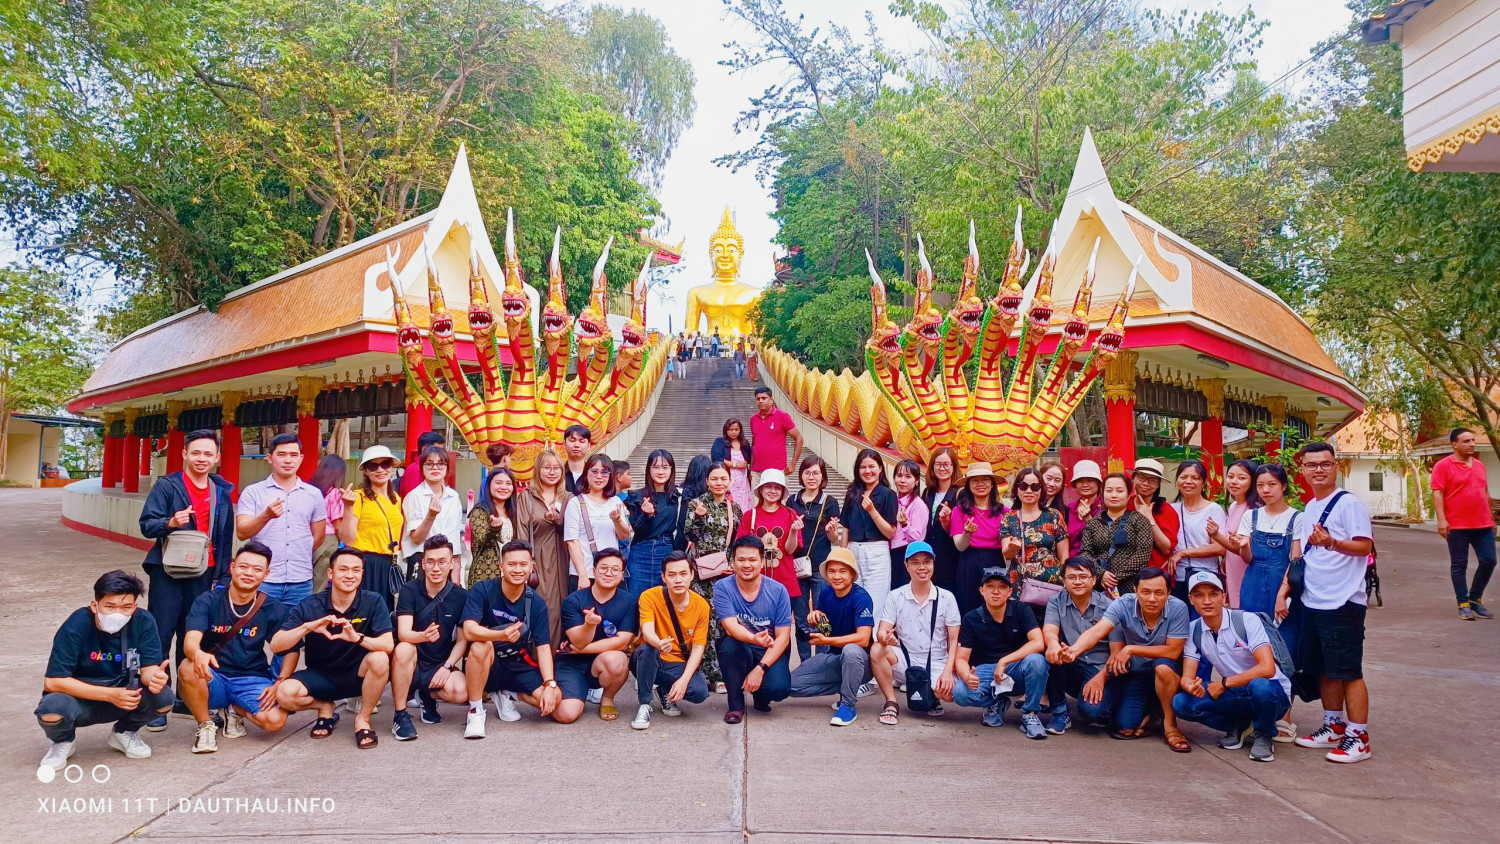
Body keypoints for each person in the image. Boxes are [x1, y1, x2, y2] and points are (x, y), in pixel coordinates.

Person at [138, 428, 235, 730]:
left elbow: (225, 533)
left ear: (217, 457)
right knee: (161, 633)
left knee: (194, 634)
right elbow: (146, 525)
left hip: (205, 571)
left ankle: (184, 697)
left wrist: (222, 574)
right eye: (196, 453)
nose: (202, 458)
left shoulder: (221, 491)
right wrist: (170, 522)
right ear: (184, 454)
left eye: (208, 454)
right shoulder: (168, 486)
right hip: (169, 571)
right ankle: (156, 701)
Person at [1285, 441, 1375, 763]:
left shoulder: (1349, 505)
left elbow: (1364, 547)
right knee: (1323, 668)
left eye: (1325, 464)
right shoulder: (1309, 507)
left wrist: (1333, 542)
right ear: (1304, 471)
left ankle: (1358, 736)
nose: (1318, 470)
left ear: (1336, 467)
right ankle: (1334, 725)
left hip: (1343, 600)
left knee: (1348, 670)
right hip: (1315, 599)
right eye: (1312, 465)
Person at [36, 570, 173, 771]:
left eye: (126, 607)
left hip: (125, 696)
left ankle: (124, 732)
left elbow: (148, 668)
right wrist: (110, 695)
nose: (118, 613)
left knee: (163, 697)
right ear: (95, 605)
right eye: (109, 606)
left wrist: (155, 678)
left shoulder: (143, 621)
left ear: (135, 607)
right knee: (52, 708)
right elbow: (53, 681)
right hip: (80, 698)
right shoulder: (77, 624)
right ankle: (63, 741)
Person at [271, 549, 394, 749]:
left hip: (358, 675)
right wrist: (307, 627)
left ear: (362, 574)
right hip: (320, 676)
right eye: (343, 569)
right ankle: (324, 707)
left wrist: (357, 638)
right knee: (284, 694)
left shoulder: (373, 601)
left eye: (356, 570)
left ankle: (362, 719)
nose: (349, 575)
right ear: (331, 574)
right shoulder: (310, 605)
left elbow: (388, 645)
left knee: (379, 658)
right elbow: (276, 644)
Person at [1061, 566, 1190, 751]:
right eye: (1145, 592)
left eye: (1159, 593)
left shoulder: (1178, 608)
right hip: (1133, 673)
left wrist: (1130, 649)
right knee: (1124, 726)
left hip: (1162, 670)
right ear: (1135, 590)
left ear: (1168, 593)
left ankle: (1170, 724)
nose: (1152, 599)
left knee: (1163, 668)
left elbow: (1173, 651)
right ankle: (1150, 711)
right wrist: (1074, 650)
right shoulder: (1123, 604)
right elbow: (1098, 631)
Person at [179, 542, 292, 753]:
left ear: (266, 574)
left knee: (274, 721)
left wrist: (280, 681)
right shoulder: (208, 600)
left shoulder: (273, 608)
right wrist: (198, 653)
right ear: (232, 567)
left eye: (257, 569)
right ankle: (205, 725)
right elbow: (191, 639)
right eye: (243, 566)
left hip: (252, 678)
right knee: (187, 666)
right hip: (214, 678)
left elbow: (290, 649)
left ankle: (233, 709)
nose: (249, 573)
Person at [1172, 571, 1291, 763]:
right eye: (1199, 595)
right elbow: (1187, 675)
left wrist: (1225, 684)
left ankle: (1264, 734)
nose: (1207, 601)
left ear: (1223, 596)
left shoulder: (1246, 620)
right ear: (1191, 599)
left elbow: (1267, 668)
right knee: (1181, 703)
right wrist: (1189, 685)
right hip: (1235, 692)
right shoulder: (1194, 629)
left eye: (1213, 594)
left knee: (1259, 686)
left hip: (1272, 692)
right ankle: (1241, 725)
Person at [460, 540, 563, 735]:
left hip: (518, 663)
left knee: (554, 699)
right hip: (487, 664)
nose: (517, 570)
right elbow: (469, 630)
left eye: (523, 565)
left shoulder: (537, 602)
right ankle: (475, 711)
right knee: (480, 646)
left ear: (531, 567)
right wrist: (500, 635)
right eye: (511, 564)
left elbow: (543, 647)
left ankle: (509, 694)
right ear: (501, 567)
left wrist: (550, 683)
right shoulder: (483, 590)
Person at [949, 567, 1050, 738]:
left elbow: (1038, 642)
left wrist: (1005, 661)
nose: (996, 592)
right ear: (982, 590)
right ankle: (996, 702)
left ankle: (1030, 714)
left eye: (1002, 587)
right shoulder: (972, 618)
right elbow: (961, 658)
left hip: (1016, 669)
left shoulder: (1021, 609)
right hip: (986, 672)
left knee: (1037, 661)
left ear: (1010, 591)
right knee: (959, 693)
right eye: (990, 586)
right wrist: (966, 675)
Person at [870, 542, 962, 726]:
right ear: (906, 566)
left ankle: (931, 695)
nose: (922, 567)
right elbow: (882, 630)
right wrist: (885, 637)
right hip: (905, 660)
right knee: (877, 649)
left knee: (953, 694)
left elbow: (954, 640)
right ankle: (891, 702)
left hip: (936, 662)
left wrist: (947, 672)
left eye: (927, 562)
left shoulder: (946, 597)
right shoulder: (896, 596)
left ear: (934, 564)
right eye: (915, 562)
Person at [389, 537, 469, 740]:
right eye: (431, 562)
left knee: (462, 692)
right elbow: (403, 633)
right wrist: (422, 636)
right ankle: (400, 714)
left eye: (442, 562)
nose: (436, 568)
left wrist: (448, 666)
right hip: (412, 662)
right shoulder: (409, 590)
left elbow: (462, 640)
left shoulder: (461, 596)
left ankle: (426, 695)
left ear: (452, 564)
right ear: (423, 563)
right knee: (404, 648)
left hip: (439, 664)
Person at [235, 433, 327, 606]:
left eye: (293, 455)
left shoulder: (313, 494)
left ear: (301, 458)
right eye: (281, 455)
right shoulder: (253, 492)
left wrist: (298, 552)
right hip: (263, 579)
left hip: (301, 580)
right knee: (258, 630)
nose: (288, 460)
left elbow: (319, 536)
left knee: (295, 631)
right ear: (270, 458)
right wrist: (266, 516)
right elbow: (242, 532)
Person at [713, 536, 794, 723]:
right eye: (741, 560)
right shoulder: (722, 587)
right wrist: (754, 639)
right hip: (741, 646)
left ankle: (761, 696)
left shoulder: (778, 590)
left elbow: (783, 637)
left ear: (762, 561)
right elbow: (731, 626)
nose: (746, 565)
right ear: (732, 562)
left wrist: (761, 668)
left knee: (779, 688)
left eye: (752, 559)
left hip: (769, 648)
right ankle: (735, 705)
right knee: (729, 645)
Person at [789, 548, 873, 726]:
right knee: (788, 686)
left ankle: (848, 705)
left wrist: (826, 641)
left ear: (852, 575)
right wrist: (818, 618)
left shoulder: (861, 598)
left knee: (851, 651)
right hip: (835, 658)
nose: (837, 576)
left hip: (861, 662)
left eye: (843, 571)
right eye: (832, 571)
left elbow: (863, 639)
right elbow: (827, 630)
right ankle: (846, 687)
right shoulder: (827, 593)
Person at [632, 551, 712, 729]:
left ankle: (664, 689)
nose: (678, 580)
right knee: (648, 649)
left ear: (692, 575)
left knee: (699, 692)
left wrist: (683, 680)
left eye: (683, 574)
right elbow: (647, 630)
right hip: (647, 658)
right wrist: (658, 642)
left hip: (676, 661)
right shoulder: (649, 597)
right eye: (672, 574)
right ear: (663, 577)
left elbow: (698, 648)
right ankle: (645, 704)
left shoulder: (701, 606)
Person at [556, 549, 638, 723]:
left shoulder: (629, 601)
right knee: (567, 715)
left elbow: (623, 642)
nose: (609, 573)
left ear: (622, 574)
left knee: (618, 660)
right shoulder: (573, 600)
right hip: (571, 664)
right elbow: (576, 640)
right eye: (603, 568)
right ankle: (522, 693)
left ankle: (607, 698)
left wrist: (580, 650)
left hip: (599, 661)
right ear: (594, 570)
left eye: (615, 569)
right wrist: (589, 625)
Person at [683, 461, 743, 689]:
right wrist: (698, 517)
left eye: (723, 479)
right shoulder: (696, 503)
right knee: (703, 622)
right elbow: (689, 534)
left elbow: (737, 542)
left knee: (723, 622)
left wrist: (733, 564)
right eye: (714, 479)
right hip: (701, 573)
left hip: (725, 573)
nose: (719, 483)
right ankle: (702, 672)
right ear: (707, 481)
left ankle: (720, 674)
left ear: (730, 481)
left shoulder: (734, 508)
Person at [1043, 557, 1114, 732]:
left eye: (1083, 577)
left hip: (1101, 668)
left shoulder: (1110, 606)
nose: (1077, 582)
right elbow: (1050, 630)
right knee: (1051, 654)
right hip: (1072, 663)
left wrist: (1101, 678)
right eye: (1072, 577)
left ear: (1094, 579)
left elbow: (1117, 651)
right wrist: (1053, 644)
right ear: (1064, 581)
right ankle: (1060, 712)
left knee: (1093, 712)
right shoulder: (1055, 601)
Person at [1432, 427, 1496, 620]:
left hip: (1483, 524)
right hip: (1457, 525)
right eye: (1466, 441)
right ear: (1455, 444)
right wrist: (1442, 520)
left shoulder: (1479, 465)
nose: (1471, 444)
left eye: (1473, 440)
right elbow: (1438, 494)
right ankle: (1463, 603)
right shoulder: (1443, 466)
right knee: (1459, 564)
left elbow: (1485, 493)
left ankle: (1475, 598)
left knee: (1489, 561)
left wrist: (1491, 519)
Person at [337, 444, 406, 606]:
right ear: (366, 471)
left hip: (390, 562)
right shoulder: (358, 497)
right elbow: (347, 539)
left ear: (392, 467)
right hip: (366, 562)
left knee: (385, 612)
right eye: (373, 466)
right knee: (364, 611)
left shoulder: (396, 499)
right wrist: (347, 507)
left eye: (385, 464)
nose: (380, 470)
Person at [517, 449, 573, 646]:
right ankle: (538, 656)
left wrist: (558, 520)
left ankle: (558, 658)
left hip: (564, 558)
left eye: (556, 468)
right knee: (542, 607)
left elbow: (574, 529)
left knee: (562, 606)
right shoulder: (527, 497)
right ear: (538, 471)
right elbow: (522, 530)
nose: (552, 472)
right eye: (547, 468)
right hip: (538, 559)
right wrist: (525, 562)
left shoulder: (569, 498)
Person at [1232, 464, 1303, 617]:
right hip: (1252, 587)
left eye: (1272, 484)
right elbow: (1248, 559)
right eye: (1260, 485)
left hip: (1283, 585)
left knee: (1285, 637)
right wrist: (1243, 547)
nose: (1265, 490)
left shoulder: (1297, 518)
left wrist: (1282, 594)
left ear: (1283, 486)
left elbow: (1295, 560)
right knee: (1253, 635)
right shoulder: (1250, 516)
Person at [790, 455, 842, 661]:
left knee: (821, 617)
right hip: (797, 564)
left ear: (823, 476)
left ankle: (822, 662)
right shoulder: (791, 500)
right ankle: (805, 663)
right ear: (801, 475)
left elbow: (833, 537)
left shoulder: (829, 501)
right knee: (801, 618)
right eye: (807, 472)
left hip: (820, 566)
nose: (811, 477)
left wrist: (832, 530)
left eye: (816, 473)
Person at [735, 469, 804, 619]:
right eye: (768, 486)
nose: (772, 491)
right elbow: (740, 548)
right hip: (756, 582)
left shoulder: (790, 514)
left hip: (785, 580)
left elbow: (790, 550)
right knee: (758, 626)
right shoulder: (750, 515)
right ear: (761, 489)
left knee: (782, 628)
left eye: (777, 487)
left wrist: (793, 531)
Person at [842, 448, 898, 618]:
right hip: (853, 549)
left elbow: (890, 533)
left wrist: (872, 510)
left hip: (876, 551)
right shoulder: (852, 493)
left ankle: (873, 641)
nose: (867, 471)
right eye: (863, 467)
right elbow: (845, 527)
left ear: (880, 468)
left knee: (876, 601)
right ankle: (856, 641)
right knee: (853, 599)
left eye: (872, 466)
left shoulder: (888, 494)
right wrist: (843, 557)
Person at [563, 453, 632, 591]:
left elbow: (624, 536)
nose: (599, 476)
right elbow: (572, 541)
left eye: (604, 472)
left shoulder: (616, 502)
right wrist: (582, 575)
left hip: (610, 574)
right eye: (594, 471)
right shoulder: (575, 502)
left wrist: (617, 521)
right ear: (586, 474)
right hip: (585, 573)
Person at [1079, 473, 1154, 596]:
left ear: (1129, 495)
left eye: (1119, 491)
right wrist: (1101, 574)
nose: (1114, 495)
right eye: (1109, 490)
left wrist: (1114, 578)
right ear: (1103, 494)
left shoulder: (1139, 521)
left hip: (1131, 585)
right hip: (1099, 585)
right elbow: (1084, 553)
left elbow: (1143, 554)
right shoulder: (1094, 523)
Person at [1166, 460, 1225, 614]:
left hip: (1205, 578)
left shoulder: (1213, 509)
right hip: (1176, 579)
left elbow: (1219, 548)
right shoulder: (1171, 509)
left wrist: (1183, 552)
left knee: (1201, 623)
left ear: (1204, 483)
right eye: (1183, 477)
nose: (1188, 482)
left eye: (1195, 478)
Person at [402, 444, 466, 584]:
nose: (435, 468)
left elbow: (455, 537)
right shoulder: (415, 496)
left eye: (440, 464)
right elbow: (416, 538)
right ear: (422, 468)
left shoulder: (453, 496)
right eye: (429, 464)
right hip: (423, 560)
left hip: (446, 562)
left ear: (447, 468)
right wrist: (430, 516)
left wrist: (456, 571)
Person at [951, 462, 1007, 616]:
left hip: (995, 561)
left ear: (992, 484)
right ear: (968, 485)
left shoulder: (1005, 512)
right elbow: (960, 546)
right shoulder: (959, 510)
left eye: (985, 480)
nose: (980, 484)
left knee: (996, 608)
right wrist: (967, 533)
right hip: (968, 561)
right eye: (975, 480)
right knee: (968, 608)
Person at [1001, 467, 1070, 592]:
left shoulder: (1054, 515)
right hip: (1020, 585)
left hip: (1052, 585)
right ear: (1016, 489)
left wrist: (1067, 580)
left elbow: (1064, 555)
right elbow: (1007, 555)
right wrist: (1012, 547)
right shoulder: (1009, 518)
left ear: (1041, 490)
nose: (1029, 491)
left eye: (1035, 487)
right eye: (1023, 486)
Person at [625, 450, 682, 592]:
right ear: (648, 469)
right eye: (656, 467)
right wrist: (646, 515)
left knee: (663, 599)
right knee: (635, 598)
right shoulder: (636, 496)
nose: (660, 471)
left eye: (665, 467)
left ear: (672, 469)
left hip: (666, 549)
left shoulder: (678, 496)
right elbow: (638, 530)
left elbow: (681, 529)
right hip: (640, 551)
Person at [1213, 459, 1260, 607]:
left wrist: (1216, 536)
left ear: (1253, 481)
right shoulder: (1233, 506)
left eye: (1241, 478)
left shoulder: (1254, 510)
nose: (1234, 481)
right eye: (1231, 476)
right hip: (1233, 571)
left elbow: (1246, 550)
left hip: (1248, 573)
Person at [468, 466, 521, 587]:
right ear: (489, 486)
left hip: (511, 573)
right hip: (485, 575)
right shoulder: (480, 511)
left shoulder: (515, 511)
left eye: (508, 483)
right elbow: (483, 540)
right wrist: (494, 528)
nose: (504, 487)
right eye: (498, 483)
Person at [1131, 459, 1180, 574]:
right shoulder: (1124, 505)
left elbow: (1166, 548)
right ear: (1133, 478)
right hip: (1126, 574)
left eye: (1152, 480)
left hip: (1156, 574)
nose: (1146, 483)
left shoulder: (1167, 510)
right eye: (1141, 477)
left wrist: (1149, 519)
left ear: (1158, 485)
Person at [923, 448, 961, 590]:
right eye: (938, 464)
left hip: (950, 557)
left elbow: (958, 531)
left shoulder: (959, 494)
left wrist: (947, 520)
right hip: (929, 556)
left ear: (953, 467)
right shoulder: (928, 492)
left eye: (946, 464)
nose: (942, 468)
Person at [308, 454, 348, 592]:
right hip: (328, 541)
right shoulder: (335, 494)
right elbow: (338, 525)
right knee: (320, 581)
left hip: (309, 537)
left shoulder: (310, 491)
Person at [889, 460, 931, 591]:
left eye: (908, 477)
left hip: (906, 553)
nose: (902, 480)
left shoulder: (918, 505)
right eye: (899, 476)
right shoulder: (893, 500)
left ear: (917, 480)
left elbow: (918, 539)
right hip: (890, 553)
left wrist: (905, 524)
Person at [749, 386, 803, 481]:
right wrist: (751, 469)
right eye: (758, 399)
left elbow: (799, 439)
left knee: (777, 495)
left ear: (771, 399)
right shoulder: (753, 419)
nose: (761, 401)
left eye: (764, 398)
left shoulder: (782, 416)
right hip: (757, 472)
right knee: (756, 496)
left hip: (777, 470)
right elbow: (754, 444)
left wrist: (793, 464)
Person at [711, 418, 754, 511]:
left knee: (744, 503)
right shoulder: (720, 442)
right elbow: (716, 458)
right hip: (729, 477)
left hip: (743, 480)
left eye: (736, 429)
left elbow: (751, 458)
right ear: (726, 430)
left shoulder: (744, 443)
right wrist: (735, 464)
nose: (734, 432)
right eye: (731, 429)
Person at [1062, 459, 1104, 550]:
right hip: (1072, 561)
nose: (1085, 484)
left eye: (1090, 481)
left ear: (1098, 483)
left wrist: (1089, 520)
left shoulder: (1106, 508)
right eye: (1080, 481)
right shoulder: (1070, 509)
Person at [399, 431, 447, 495]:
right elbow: (413, 498)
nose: (440, 453)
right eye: (437, 450)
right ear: (424, 449)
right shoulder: (415, 470)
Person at [561, 424, 593, 494]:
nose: (576, 445)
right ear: (564, 444)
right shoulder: (558, 474)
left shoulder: (594, 474)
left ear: (588, 446)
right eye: (572, 440)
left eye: (582, 441)